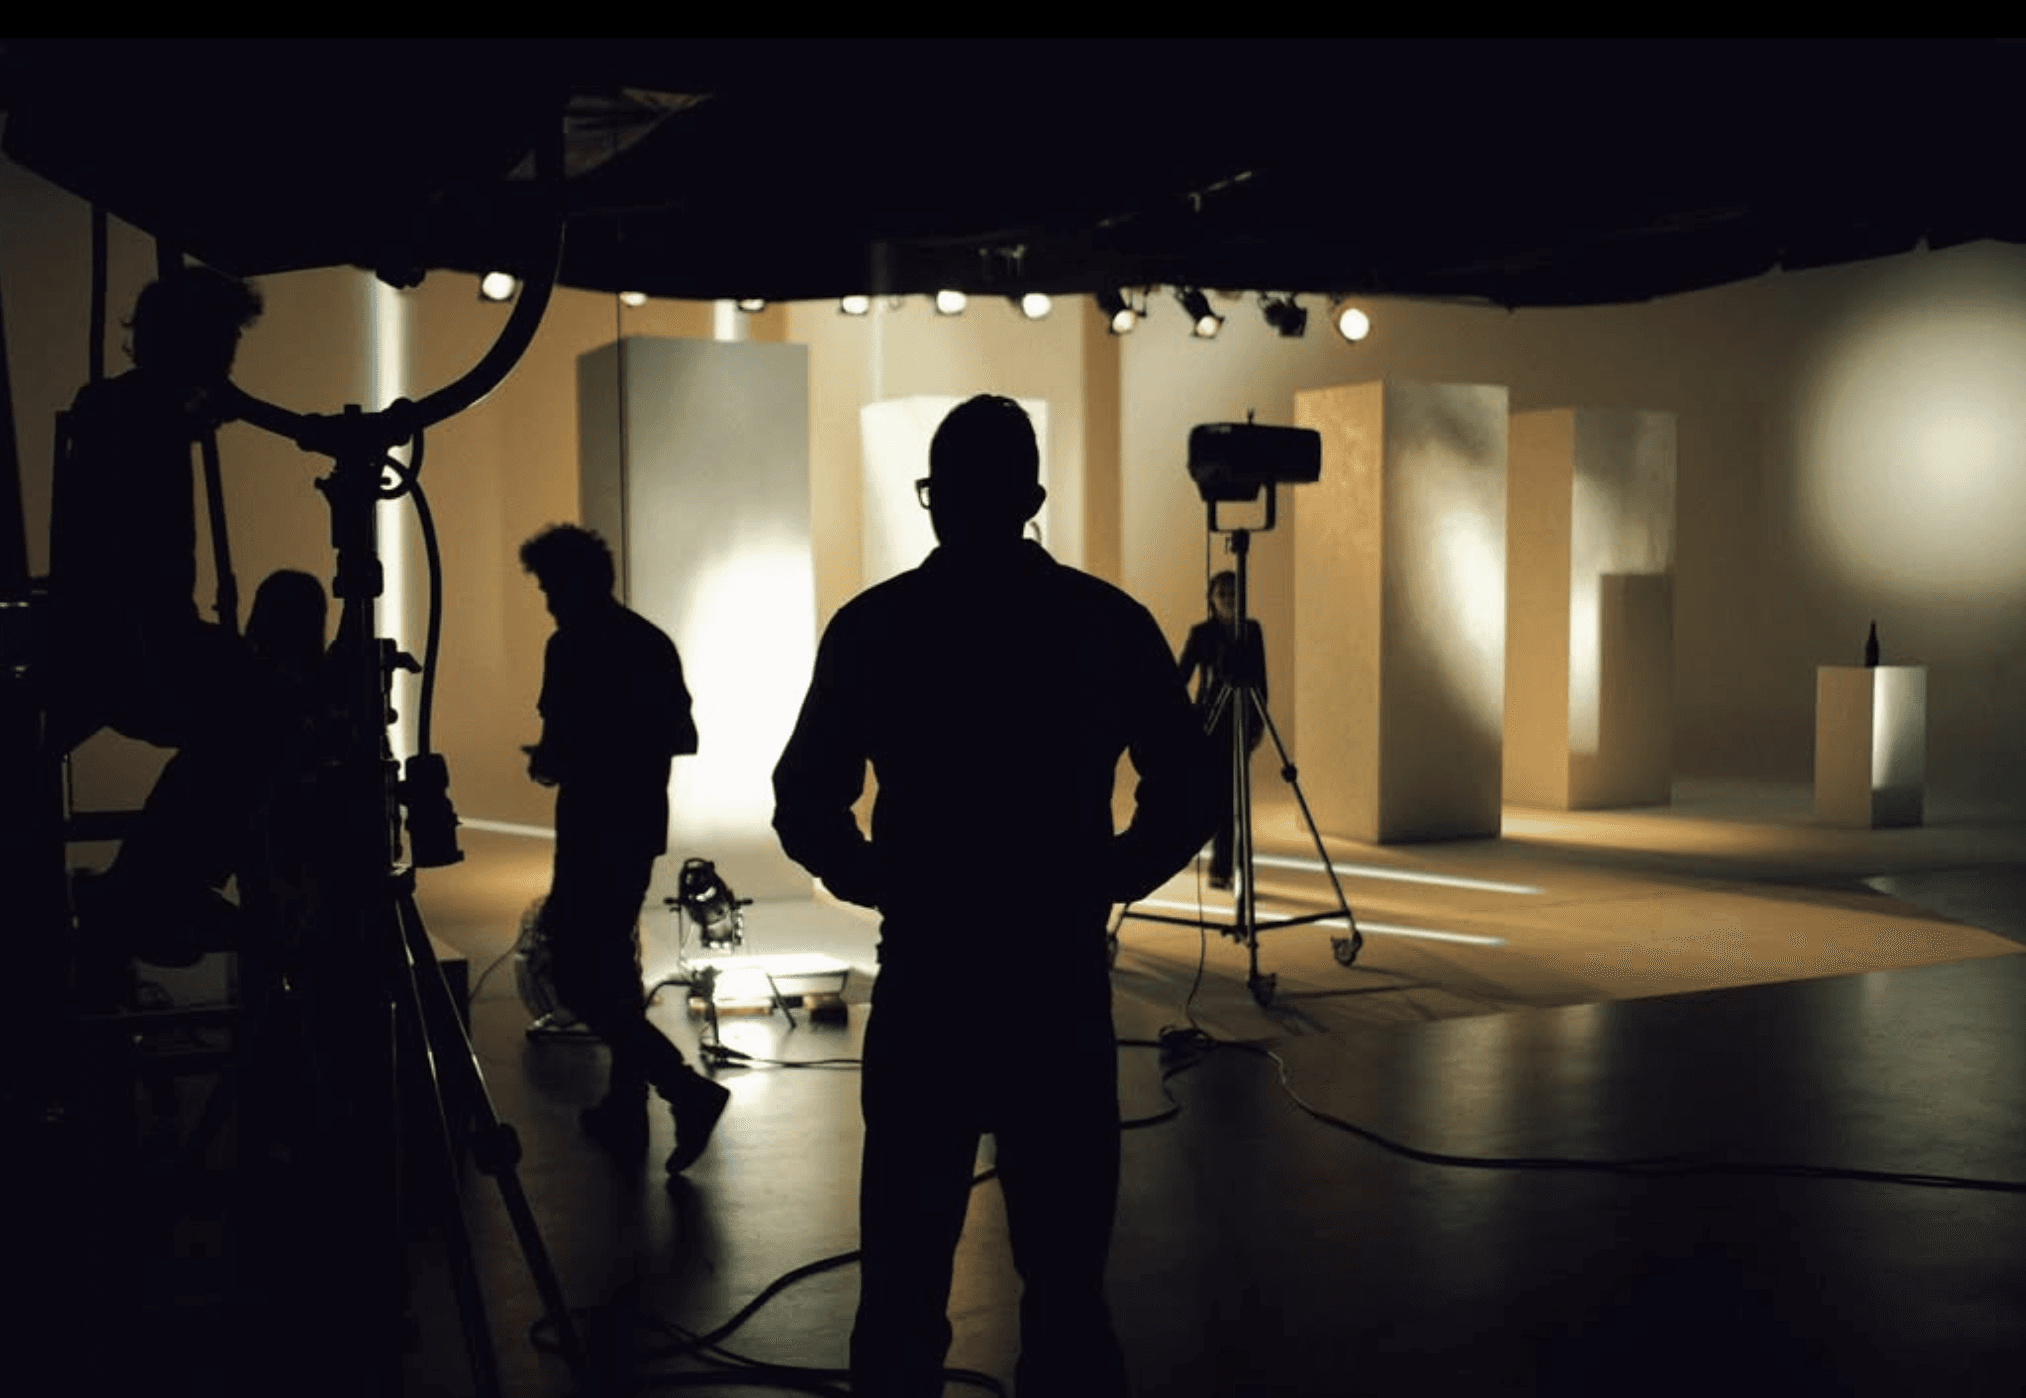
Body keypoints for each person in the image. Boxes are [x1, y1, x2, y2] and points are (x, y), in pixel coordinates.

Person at [772, 395, 1211, 1397]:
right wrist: (1111, 875)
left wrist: (881, 882)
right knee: (1064, 1283)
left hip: (928, 976)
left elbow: (805, 798)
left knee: (902, 1279)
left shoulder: (878, 626)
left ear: (935, 502)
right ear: (1033, 499)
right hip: (1053, 978)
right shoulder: (1103, 622)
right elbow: (1185, 789)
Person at [519, 523, 730, 1175]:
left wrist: (564, 756)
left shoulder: (571, 648)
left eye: (552, 587)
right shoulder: (646, 642)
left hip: (593, 826)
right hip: (633, 825)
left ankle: (683, 1089)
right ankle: (625, 1098)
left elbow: (565, 741)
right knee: (610, 962)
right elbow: (679, 734)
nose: (549, 601)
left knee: (578, 972)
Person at [1174, 569, 1267, 890]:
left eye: (1233, 593)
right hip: (1207, 722)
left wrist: (1259, 724)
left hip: (1239, 722)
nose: (1228, 599)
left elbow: (1260, 680)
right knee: (1213, 795)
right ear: (1211, 599)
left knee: (1236, 798)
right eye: (1222, 593)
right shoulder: (1200, 633)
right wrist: (1185, 719)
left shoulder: (1252, 630)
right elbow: (1179, 677)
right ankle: (1215, 862)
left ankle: (1233, 867)